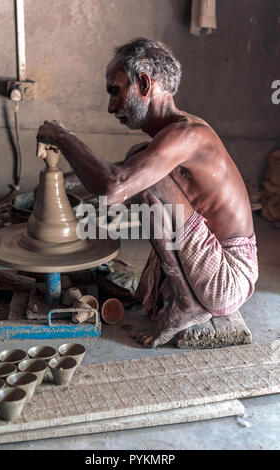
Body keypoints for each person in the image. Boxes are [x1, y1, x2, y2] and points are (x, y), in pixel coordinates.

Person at [37, 37, 258, 348]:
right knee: (137, 161)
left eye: (115, 91)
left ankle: (187, 303)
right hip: (214, 265)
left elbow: (114, 186)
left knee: (145, 181)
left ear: (143, 83)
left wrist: (62, 136)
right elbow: (119, 173)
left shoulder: (187, 135)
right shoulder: (173, 136)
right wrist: (57, 181)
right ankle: (182, 296)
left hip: (229, 276)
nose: (111, 106)